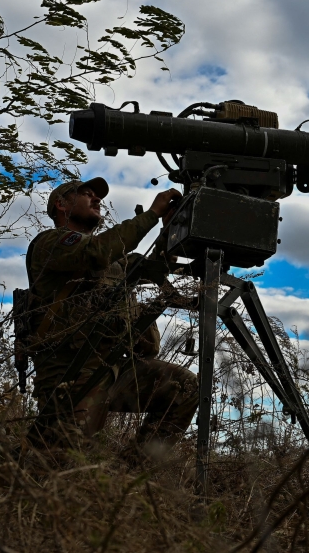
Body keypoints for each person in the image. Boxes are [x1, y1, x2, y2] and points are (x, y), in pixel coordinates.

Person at [24, 177, 197, 453]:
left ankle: (133, 474)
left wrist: (170, 227)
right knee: (65, 462)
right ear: (61, 205)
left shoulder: (114, 260)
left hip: (114, 368)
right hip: (71, 372)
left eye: (98, 196)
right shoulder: (52, 243)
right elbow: (96, 252)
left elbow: (154, 266)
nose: (97, 200)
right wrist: (152, 214)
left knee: (185, 386)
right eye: (87, 194)